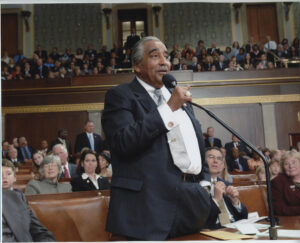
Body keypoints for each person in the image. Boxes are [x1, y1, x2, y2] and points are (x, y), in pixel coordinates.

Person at [101, 36, 211, 240]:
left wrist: (205, 185)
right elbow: (123, 142)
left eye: (166, 56)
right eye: (155, 56)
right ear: (137, 65)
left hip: (192, 205)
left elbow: (195, 144)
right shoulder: (120, 95)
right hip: (146, 210)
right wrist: (169, 108)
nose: (164, 61)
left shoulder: (178, 98)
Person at [202, 148, 248, 229]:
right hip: (214, 230)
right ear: (202, 162)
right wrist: (215, 200)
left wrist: (236, 202)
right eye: (211, 157)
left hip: (234, 227)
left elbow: (244, 217)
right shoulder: (197, 185)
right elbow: (202, 221)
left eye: (219, 158)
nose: (215, 161)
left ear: (222, 166)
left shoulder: (226, 184)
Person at [271, 151, 300, 215]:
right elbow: (278, 209)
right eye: (286, 164)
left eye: (294, 162)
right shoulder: (277, 182)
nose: (291, 166)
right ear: (283, 167)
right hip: (291, 221)